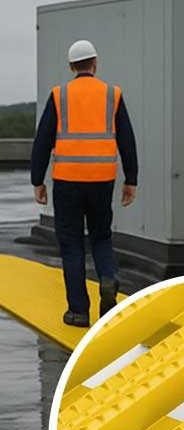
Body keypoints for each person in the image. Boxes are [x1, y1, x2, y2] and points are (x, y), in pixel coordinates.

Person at [30, 39, 138, 327]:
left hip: (66, 181)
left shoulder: (59, 95)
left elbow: (42, 141)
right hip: (102, 180)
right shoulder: (112, 95)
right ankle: (108, 279)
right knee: (101, 237)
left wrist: (37, 180)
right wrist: (132, 179)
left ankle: (78, 311)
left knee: (72, 245)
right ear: (95, 63)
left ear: (70, 66)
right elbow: (127, 141)